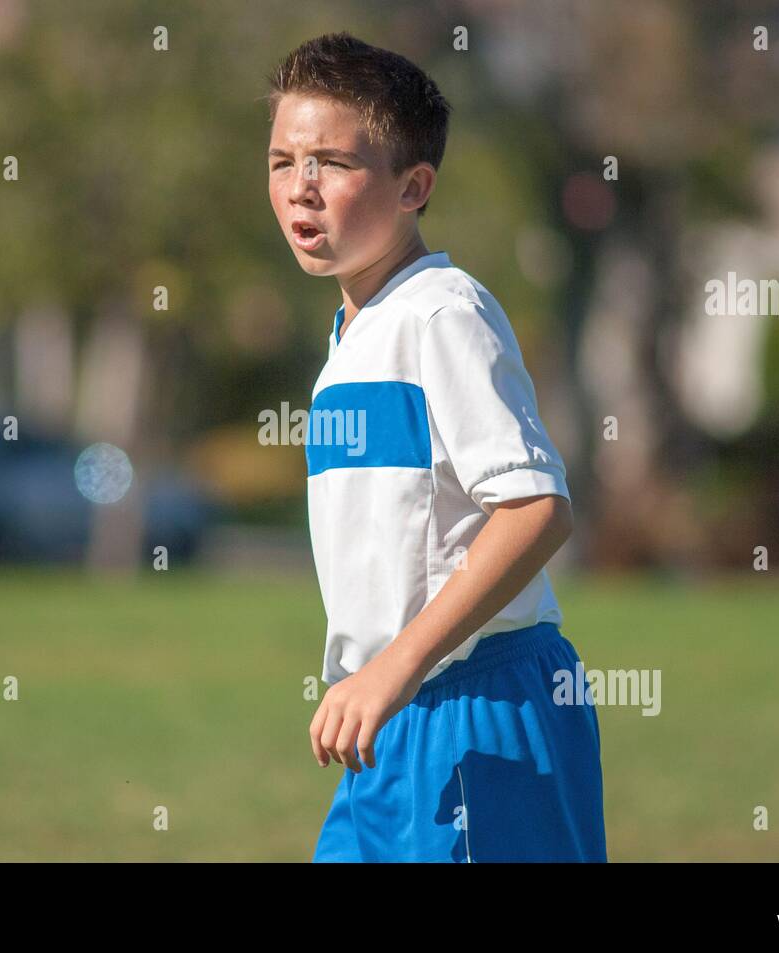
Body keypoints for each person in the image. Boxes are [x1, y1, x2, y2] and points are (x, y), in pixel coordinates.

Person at [266, 32, 607, 862]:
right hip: (397, 718)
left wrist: (398, 664)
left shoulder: (442, 314)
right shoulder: (356, 331)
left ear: (414, 185)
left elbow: (536, 509)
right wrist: (385, 677)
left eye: (334, 164)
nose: (301, 190)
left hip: (479, 707)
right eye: (282, 161)